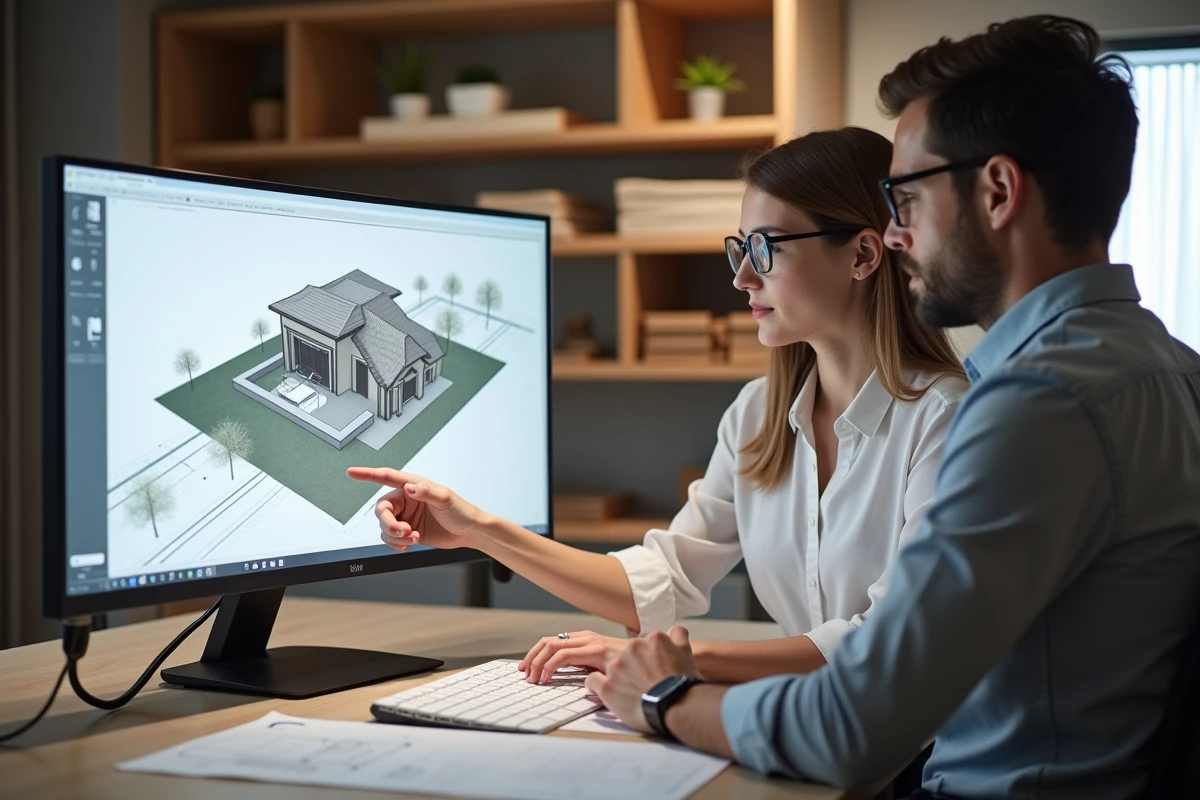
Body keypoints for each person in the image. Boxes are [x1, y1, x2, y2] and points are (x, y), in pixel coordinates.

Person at [577, 14, 1200, 800]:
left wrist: (664, 699)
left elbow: (851, 726)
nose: (897, 235)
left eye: (906, 197)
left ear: (998, 191)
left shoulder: (1036, 404)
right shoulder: (1172, 368)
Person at [349, 126, 968, 689]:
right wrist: (478, 531)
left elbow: (888, 637)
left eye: (766, 248)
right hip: (816, 722)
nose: (742, 279)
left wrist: (675, 661)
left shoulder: (946, 420)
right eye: (741, 248)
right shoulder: (758, 415)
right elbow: (661, 580)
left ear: (863, 254)